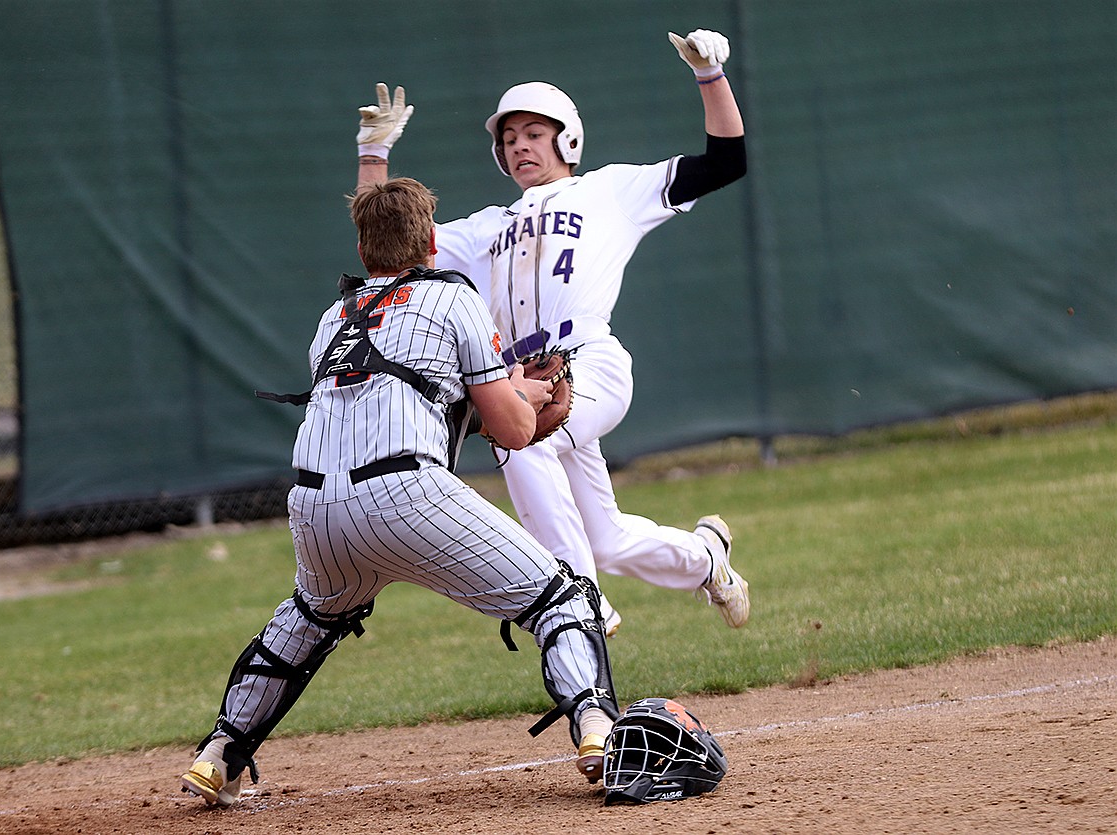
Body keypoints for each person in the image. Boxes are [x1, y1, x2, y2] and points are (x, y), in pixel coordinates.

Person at [179, 177, 620, 808]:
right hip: (405, 493)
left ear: (362, 253)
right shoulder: (455, 299)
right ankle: (599, 730)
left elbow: (408, 393)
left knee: (308, 621)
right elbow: (514, 430)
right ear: (434, 244)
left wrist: (499, 389)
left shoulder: (332, 319)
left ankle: (219, 754)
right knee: (563, 598)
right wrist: (531, 397)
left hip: (312, 504)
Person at [354, 28, 751, 637]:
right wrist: (374, 156)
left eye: (534, 133)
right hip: (524, 372)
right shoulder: (488, 226)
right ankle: (705, 559)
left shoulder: (607, 190)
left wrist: (710, 78)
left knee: (524, 436)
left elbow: (726, 163)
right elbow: (384, 250)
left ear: (567, 138)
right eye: (509, 139)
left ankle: (578, 601)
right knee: (609, 538)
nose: (519, 146)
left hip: (588, 362)